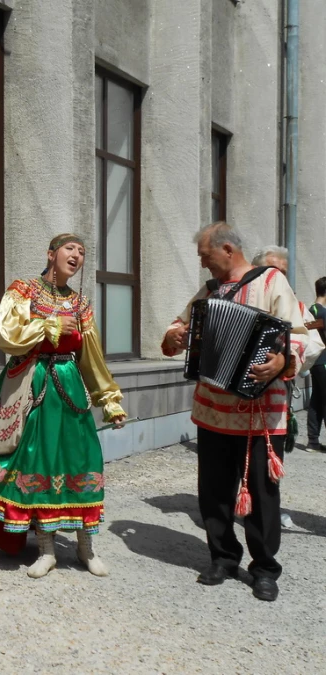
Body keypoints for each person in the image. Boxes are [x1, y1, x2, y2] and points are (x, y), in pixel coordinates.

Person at [0, 233, 127, 579]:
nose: (77, 255)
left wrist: (108, 399)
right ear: (50, 253)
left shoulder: (81, 304)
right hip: (32, 382)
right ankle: (47, 550)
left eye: (82, 252)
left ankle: (86, 548)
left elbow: (91, 356)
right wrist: (49, 325)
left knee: (82, 458)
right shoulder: (24, 290)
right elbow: (6, 335)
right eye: (70, 248)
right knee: (39, 459)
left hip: (68, 384)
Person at [162, 222, 309, 602]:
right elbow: (180, 327)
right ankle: (223, 556)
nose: (203, 266)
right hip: (213, 408)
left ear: (227, 250)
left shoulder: (271, 281)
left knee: (262, 492)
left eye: (206, 257)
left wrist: (281, 361)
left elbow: (303, 336)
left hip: (262, 411)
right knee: (213, 490)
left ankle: (264, 568)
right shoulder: (210, 291)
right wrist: (172, 336)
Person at [251, 246, 325, 527]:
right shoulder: (245, 297)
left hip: (275, 398)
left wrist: (289, 357)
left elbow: (314, 345)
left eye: (283, 272)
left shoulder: (297, 306)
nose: (279, 277)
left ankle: (266, 510)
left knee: (270, 458)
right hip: (234, 401)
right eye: (272, 271)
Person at [305, 276, 326, 452]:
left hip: (314, 361)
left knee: (316, 400)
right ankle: (313, 441)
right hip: (324, 360)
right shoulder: (324, 313)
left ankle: (312, 441)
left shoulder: (309, 309)